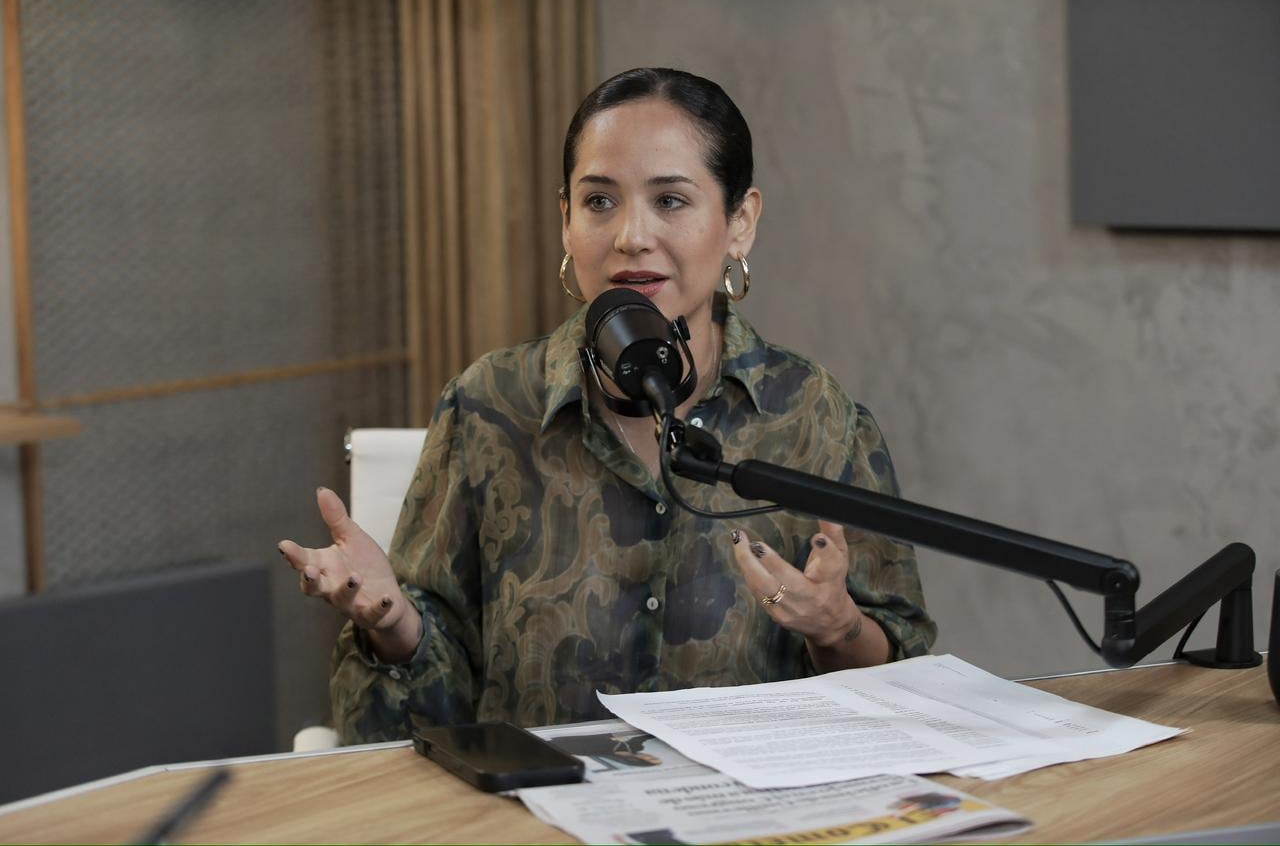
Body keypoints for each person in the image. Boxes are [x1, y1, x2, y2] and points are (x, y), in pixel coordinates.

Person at [279, 68, 936, 744]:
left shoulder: (817, 418)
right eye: (599, 202)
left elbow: (908, 690)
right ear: (565, 220)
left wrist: (840, 631)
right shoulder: (487, 407)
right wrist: (395, 626)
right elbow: (423, 721)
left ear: (740, 222)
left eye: (671, 201)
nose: (630, 237)